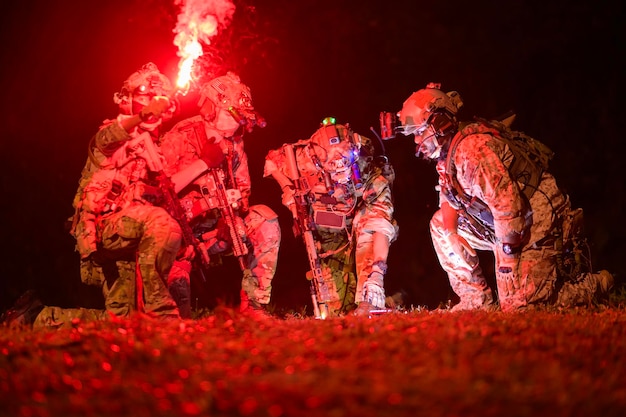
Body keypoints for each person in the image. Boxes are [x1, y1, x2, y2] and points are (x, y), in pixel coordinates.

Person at [396, 82, 614, 312]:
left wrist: (508, 261)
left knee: (518, 306)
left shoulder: (473, 152)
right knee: (440, 224)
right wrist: (451, 235)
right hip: (503, 221)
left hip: (534, 219)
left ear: (439, 123)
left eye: (419, 133)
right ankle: (475, 301)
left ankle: (594, 285)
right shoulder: (447, 152)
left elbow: (508, 207)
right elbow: (449, 197)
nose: (417, 141)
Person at [2, 63, 182, 328]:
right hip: (104, 230)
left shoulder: (156, 152)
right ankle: (163, 315)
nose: (151, 104)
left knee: (124, 324)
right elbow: (105, 140)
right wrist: (142, 116)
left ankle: (34, 319)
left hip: (131, 236)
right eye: (143, 98)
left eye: (156, 100)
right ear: (127, 101)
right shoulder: (115, 134)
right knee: (162, 224)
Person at [158, 71, 281, 318]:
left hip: (218, 229)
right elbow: (162, 189)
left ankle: (254, 307)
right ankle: (172, 314)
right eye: (230, 114)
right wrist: (203, 164)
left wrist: (233, 216)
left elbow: (243, 189)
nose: (237, 124)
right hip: (180, 232)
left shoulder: (234, 143)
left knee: (265, 221)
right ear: (212, 109)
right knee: (175, 311)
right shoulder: (182, 135)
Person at [264, 118, 398, 317]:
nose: (340, 172)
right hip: (326, 236)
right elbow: (271, 161)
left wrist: (378, 272)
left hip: (357, 229)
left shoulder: (368, 167)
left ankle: (370, 301)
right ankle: (389, 300)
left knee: (367, 226)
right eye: (333, 166)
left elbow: (380, 226)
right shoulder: (304, 159)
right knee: (335, 310)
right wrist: (287, 188)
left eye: (345, 164)